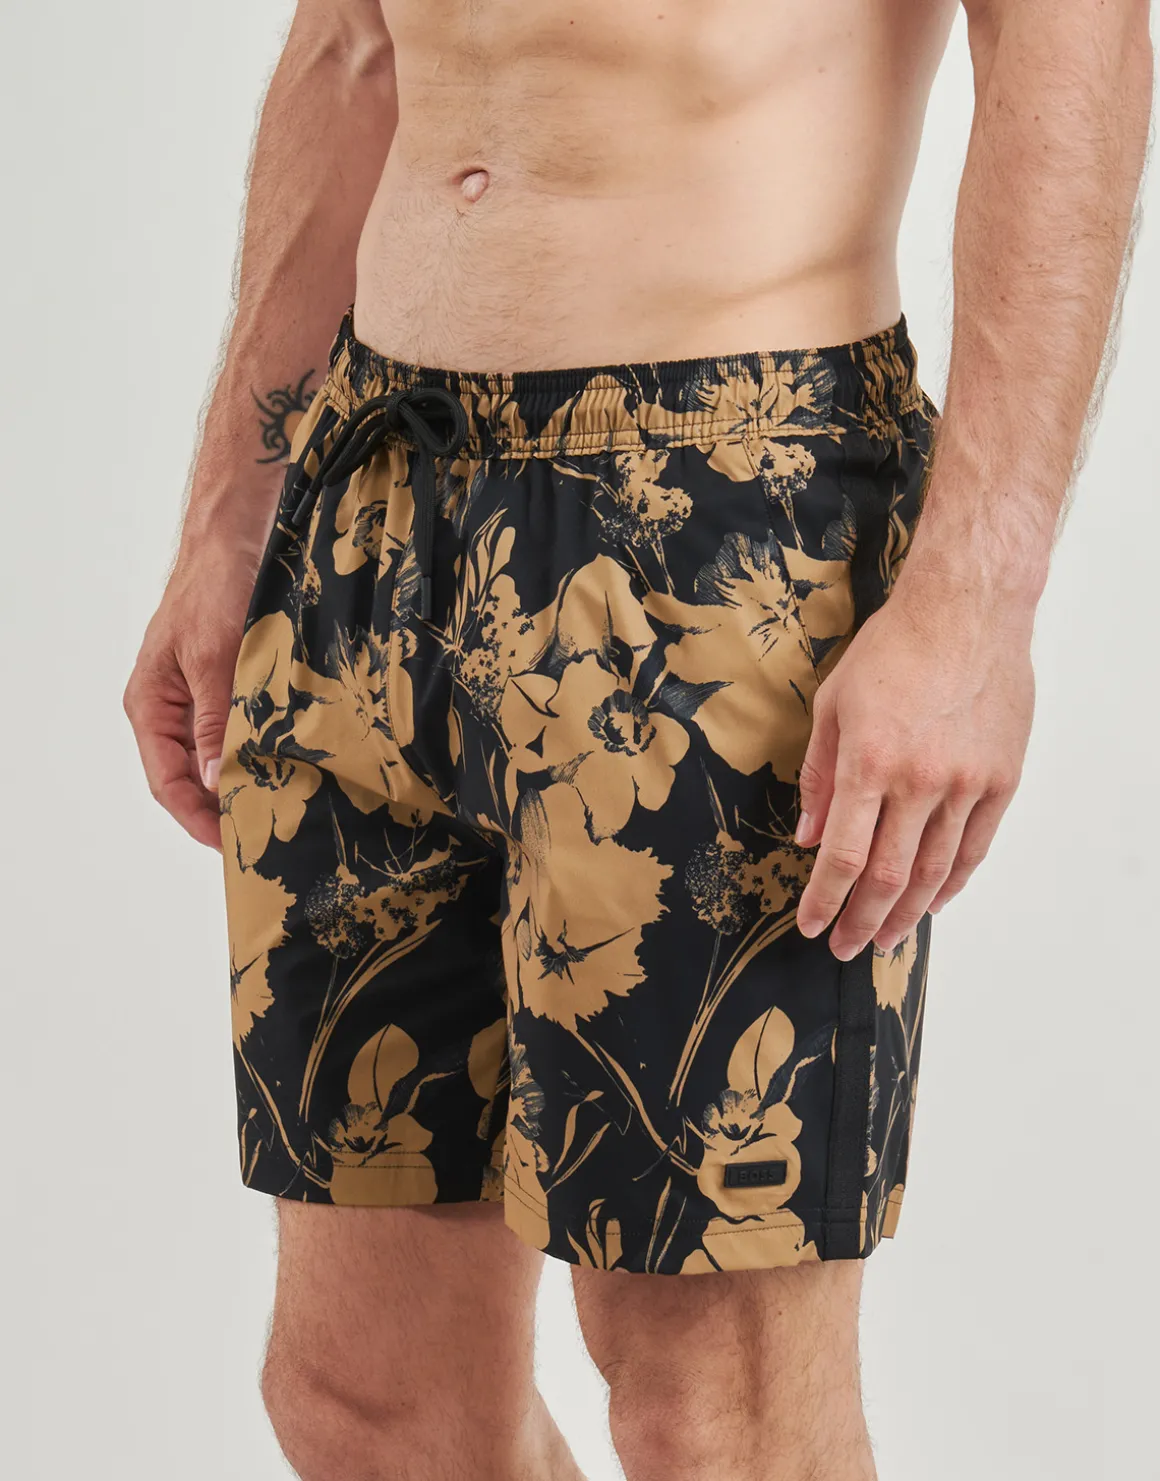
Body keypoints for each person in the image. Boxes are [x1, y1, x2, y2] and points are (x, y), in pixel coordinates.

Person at [123, 2, 1152, 1477]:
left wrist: (977, 597)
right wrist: (233, 510)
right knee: (363, 1403)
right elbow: (351, 43)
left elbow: (1075, 40)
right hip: (371, 498)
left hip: (723, 516)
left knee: (710, 1418)